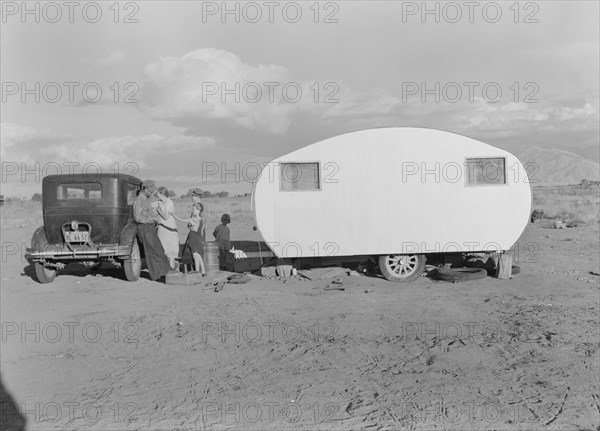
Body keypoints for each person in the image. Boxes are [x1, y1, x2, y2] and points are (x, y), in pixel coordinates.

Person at [133, 180, 171, 281]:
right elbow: (137, 217)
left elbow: (150, 213)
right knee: (152, 253)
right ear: (144, 189)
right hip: (144, 228)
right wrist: (152, 219)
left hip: (150, 228)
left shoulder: (147, 199)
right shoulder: (138, 201)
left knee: (159, 250)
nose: (151, 193)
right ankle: (157, 276)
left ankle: (165, 272)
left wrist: (155, 216)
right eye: (150, 191)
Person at [173, 190, 206, 275]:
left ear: (197, 197)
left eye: (193, 196)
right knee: (196, 253)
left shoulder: (197, 208)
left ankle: (197, 270)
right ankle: (200, 270)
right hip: (195, 231)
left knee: (196, 253)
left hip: (196, 232)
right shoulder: (196, 207)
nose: (192, 198)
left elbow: (201, 224)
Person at [155, 186, 179, 270]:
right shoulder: (160, 202)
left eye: (158, 193)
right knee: (163, 250)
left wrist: (158, 210)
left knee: (171, 253)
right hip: (162, 229)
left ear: (161, 193)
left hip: (170, 229)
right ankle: (165, 270)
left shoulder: (169, 203)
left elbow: (166, 217)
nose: (157, 195)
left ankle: (171, 270)